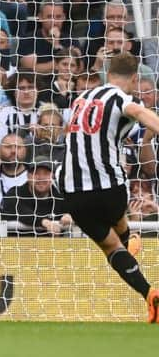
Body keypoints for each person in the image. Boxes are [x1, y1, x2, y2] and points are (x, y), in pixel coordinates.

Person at [59, 52, 159, 323]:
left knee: (111, 249)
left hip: (73, 190)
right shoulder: (121, 99)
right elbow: (137, 111)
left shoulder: (80, 99)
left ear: (107, 73)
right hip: (110, 188)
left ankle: (150, 293)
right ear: (135, 78)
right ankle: (129, 239)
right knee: (115, 214)